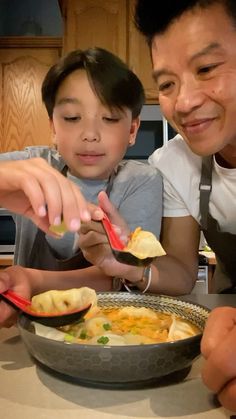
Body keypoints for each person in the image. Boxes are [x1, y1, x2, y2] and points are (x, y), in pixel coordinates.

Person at [77, 0, 236, 411]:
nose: (183, 102)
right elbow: (182, 272)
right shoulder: (172, 162)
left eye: (205, 69)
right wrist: (125, 262)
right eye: (167, 84)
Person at [0, 46, 162, 327]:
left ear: (133, 130)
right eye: (72, 118)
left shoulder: (140, 181)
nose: (89, 135)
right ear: (52, 125)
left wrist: (30, 279)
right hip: (28, 333)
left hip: (107, 332)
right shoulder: (35, 163)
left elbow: (115, 276)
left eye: (110, 118)